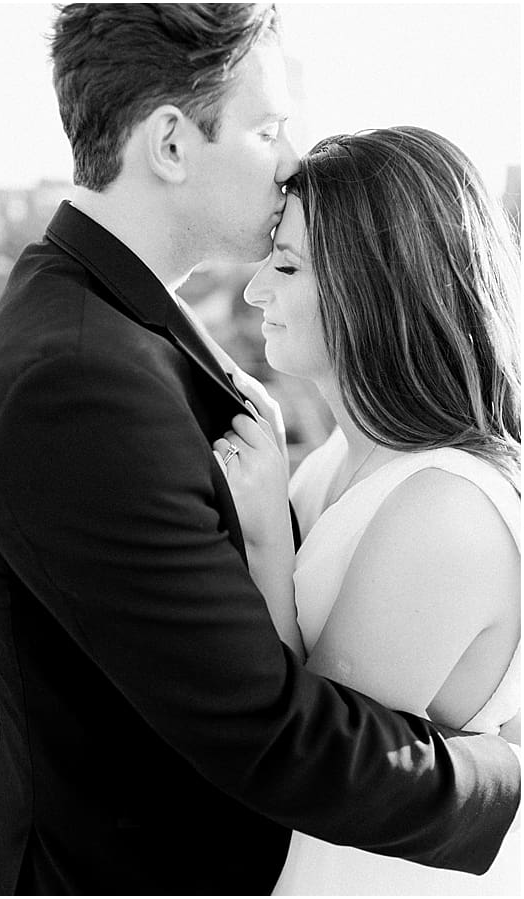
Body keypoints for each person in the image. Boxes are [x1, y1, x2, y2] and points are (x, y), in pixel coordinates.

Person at [0, 4, 519, 895]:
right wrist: (503, 776)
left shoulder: (121, 334)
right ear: (172, 144)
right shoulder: (82, 378)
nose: (291, 158)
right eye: (268, 127)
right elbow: (273, 734)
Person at [216, 125, 519, 894]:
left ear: (371, 285)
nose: (255, 291)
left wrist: (267, 548)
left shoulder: (446, 508)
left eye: (285, 264)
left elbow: (318, 766)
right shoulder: (334, 464)